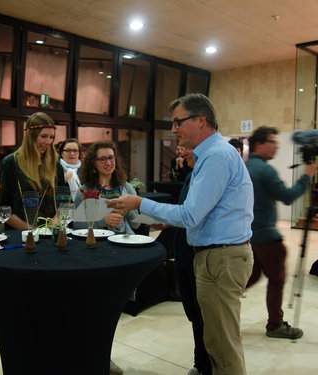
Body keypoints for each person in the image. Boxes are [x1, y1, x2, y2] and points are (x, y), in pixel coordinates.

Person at [107, 93, 254, 375]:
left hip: (221, 258)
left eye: (177, 122)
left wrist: (139, 203)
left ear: (200, 120)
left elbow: (189, 214)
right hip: (216, 255)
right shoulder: (212, 156)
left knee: (222, 346)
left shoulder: (216, 156)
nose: (173, 130)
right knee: (215, 340)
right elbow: (204, 212)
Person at [245, 126, 317, 339]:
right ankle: (275, 325)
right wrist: (307, 176)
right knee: (276, 279)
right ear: (259, 144)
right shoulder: (265, 170)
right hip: (266, 236)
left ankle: (220, 301)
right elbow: (286, 196)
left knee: (253, 275)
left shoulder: (247, 166)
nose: (276, 146)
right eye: (272, 142)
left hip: (250, 234)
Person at [172, 147, 212, 375]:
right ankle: (200, 364)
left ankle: (206, 366)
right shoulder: (190, 176)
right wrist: (167, 221)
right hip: (184, 253)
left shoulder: (208, 176)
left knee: (204, 316)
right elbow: (183, 212)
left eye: (186, 146)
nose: (181, 151)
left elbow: (193, 215)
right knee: (194, 315)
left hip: (201, 255)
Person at [0, 112, 65, 229]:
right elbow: (2, 207)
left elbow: (65, 202)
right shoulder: (10, 163)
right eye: (43, 136)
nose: (48, 142)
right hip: (20, 235)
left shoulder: (55, 164)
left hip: (51, 234)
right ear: (30, 135)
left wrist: (52, 226)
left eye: (51, 137)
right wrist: (30, 230)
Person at [74, 140, 140, 234]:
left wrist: (126, 211)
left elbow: (137, 224)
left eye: (111, 158)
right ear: (93, 163)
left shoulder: (126, 188)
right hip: (97, 244)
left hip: (123, 243)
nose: (108, 163)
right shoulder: (85, 191)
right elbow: (77, 224)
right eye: (102, 159)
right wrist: (103, 221)